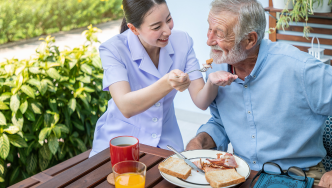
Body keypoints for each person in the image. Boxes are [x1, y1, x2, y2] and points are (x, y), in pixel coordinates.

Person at [186, 0, 332, 186]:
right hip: (244, 174)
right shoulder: (217, 68)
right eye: (209, 29)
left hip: (301, 176)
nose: (209, 40)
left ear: (250, 40)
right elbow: (221, 122)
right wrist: (199, 142)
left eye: (220, 33)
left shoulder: (300, 68)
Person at [89, 0, 237, 157]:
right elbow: (126, 107)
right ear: (133, 29)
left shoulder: (183, 42)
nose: (168, 31)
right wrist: (167, 83)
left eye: (169, 19)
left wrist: (212, 83)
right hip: (121, 142)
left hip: (166, 143)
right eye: (157, 27)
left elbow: (201, 101)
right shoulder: (113, 49)